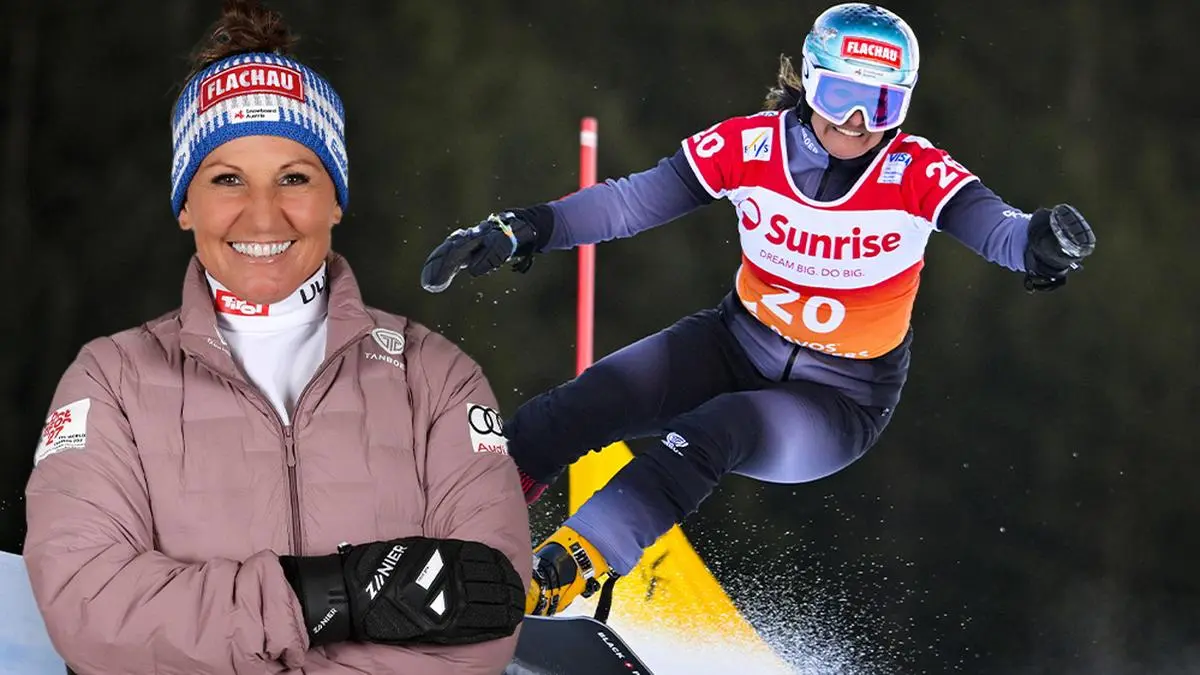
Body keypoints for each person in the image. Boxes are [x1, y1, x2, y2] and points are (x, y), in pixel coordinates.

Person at [420, 1, 1097, 618]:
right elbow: (629, 203)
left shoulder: (915, 172)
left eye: (881, 105)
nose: (857, 125)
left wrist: (1040, 247)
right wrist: (524, 228)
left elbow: (999, 228)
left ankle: (554, 577)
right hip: (734, 342)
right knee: (581, 404)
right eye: (841, 97)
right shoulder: (750, 147)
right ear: (811, 82)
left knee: (711, 433)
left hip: (838, 399)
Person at [22, 1, 528, 673]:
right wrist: (330, 595)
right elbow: (92, 612)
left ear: (335, 198)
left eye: (294, 178)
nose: (263, 215)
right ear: (185, 204)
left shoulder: (437, 378)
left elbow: (486, 620)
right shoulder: (110, 380)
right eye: (227, 179)